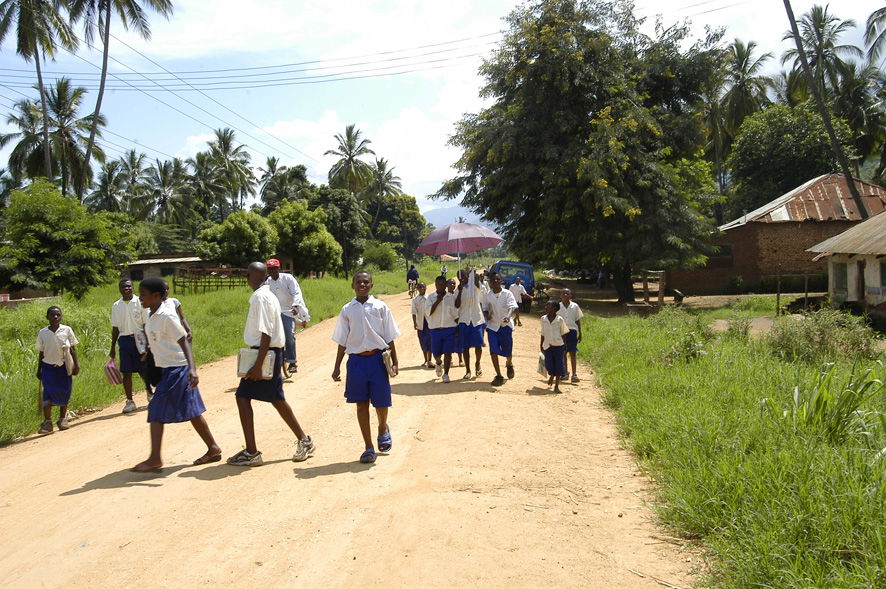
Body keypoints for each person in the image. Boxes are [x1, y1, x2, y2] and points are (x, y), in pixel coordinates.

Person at [228, 262, 315, 467]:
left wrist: (258, 365)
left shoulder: (260, 297)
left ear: (250, 277)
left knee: (243, 397)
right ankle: (305, 441)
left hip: (266, 354)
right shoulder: (268, 295)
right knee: (276, 399)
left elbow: (266, 332)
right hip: (270, 353)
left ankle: (252, 452)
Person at [131, 278, 221, 472]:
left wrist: (192, 369)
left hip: (177, 370)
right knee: (193, 412)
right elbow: (159, 339)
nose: (140, 298)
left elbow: (184, 341)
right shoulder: (151, 314)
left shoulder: (166, 316)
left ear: (156, 296)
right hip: (167, 368)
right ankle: (213, 448)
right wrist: (149, 352)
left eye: (143, 295)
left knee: (155, 411)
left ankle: (155, 458)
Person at [332, 270, 401, 464]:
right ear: (352, 285)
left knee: (381, 403)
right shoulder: (347, 310)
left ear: (371, 285)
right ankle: (368, 446)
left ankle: (382, 427)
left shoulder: (380, 307)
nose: (362, 285)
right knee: (361, 404)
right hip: (356, 362)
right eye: (358, 282)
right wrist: (336, 366)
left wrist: (395, 361)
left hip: (377, 360)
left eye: (366, 282)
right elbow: (342, 340)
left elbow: (389, 336)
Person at [110, 278, 153, 414]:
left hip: (139, 339)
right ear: (119, 289)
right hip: (124, 340)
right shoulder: (116, 306)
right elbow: (115, 328)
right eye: (123, 287)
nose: (126, 289)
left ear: (132, 287)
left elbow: (146, 324)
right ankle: (130, 401)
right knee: (126, 371)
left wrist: (148, 344)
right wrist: (112, 348)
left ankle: (150, 394)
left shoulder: (140, 303)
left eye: (128, 286)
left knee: (143, 369)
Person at [35, 306, 80, 434]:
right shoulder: (43, 333)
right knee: (48, 393)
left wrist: (76, 365)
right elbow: (41, 353)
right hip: (48, 367)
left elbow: (73, 349)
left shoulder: (67, 330)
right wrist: (39, 369)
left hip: (64, 367)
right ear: (47, 317)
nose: (55, 317)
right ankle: (47, 422)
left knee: (64, 391)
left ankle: (62, 419)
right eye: (52, 315)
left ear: (61, 317)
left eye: (58, 315)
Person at [265, 257, 306, 374]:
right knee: (267, 337)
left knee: (289, 334)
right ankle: (271, 361)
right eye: (270, 269)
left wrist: (295, 305)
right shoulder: (267, 282)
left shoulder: (288, 279)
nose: (272, 271)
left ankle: (292, 362)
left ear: (279, 268)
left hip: (288, 311)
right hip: (273, 313)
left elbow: (296, 292)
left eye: (274, 268)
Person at [484, 272, 518, 386]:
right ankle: (498, 375)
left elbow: (512, 306)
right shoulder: (488, 295)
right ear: (490, 282)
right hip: (493, 326)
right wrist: (486, 315)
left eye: (498, 279)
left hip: (505, 326)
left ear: (501, 281)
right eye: (493, 280)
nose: (496, 282)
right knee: (493, 351)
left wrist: (508, 317)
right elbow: (485, 308)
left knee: (508, 351)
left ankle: (509, 363)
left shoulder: (507, 293)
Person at [425, 275, 458, 383]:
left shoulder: (450, 297)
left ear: (445, 285)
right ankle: (439, 363)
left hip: (449, 328)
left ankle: (446, 374)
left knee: (448, 353)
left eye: (443, 284)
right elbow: (428, 312)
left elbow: (454, 313)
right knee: (436, 353)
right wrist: (437, 301)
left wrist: (458, 327)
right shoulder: (430, 297)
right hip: (435, 330)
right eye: (438, 284)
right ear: (435, 285)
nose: (440, 286)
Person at [454, 269, 486, 380]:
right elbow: (457, 305)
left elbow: (477, 283)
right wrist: (460, 290)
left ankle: (477, 363)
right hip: (464, 320)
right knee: (465, 347)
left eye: (464, 275)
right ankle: (468, 370)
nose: (462, 278)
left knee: (478, 345)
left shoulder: (475, 286)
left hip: (476, 320)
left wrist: (473, 274)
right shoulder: (458, 290)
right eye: (459, 277)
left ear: (467, 276)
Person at [540, 300, 569, 394]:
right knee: (549, 364)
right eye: (546, 306)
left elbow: (563, 333)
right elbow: (543, 333)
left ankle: (556, 385)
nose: (546, 307)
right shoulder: (543, 319)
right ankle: (551, 375)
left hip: (558, 345)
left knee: (559, 365)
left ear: (555, 309)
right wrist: (541, 344)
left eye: (549, 306)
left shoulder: (559, 319)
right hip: (547, 345)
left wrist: (565, 345)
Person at [557, 288, 584, 383]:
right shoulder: (558, 306)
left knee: (573, 352)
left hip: (572, 331)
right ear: (560, 296)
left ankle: (574, 374)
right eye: (563, 293)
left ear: (570, 295)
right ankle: (564, 373)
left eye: (567, 294)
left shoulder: (575, 306)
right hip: (561, 332)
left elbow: (577, 320)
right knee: (563, 352)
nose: (565, 295)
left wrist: (580, 332)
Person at [411, 282, 432, 368]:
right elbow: (413, 312)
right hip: (420, 324)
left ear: (426, 287)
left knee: (430, 341)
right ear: (417, 289)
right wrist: (414, 322)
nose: (422, 289)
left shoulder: (430, 298)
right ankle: (425, 360)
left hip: (429, 323)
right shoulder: (415, 300)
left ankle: (429, 360)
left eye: (423, 287)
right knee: (423, 342)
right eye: (420, 287)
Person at [446, 277, 465, 367]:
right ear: (446, 285)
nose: (452, 285)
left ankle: (460, 359)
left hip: (458, 320)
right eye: (450, 283)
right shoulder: (444, 296)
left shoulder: (457, 293)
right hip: (449, 321)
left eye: (454, 284)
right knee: (449, 341)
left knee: (459, 340)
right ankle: (450, 359)